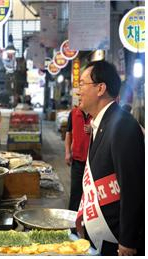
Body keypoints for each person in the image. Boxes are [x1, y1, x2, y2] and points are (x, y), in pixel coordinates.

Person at [76, 60, 144, 256]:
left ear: (100, 88)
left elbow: (134, 187)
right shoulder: (103, 122)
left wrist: (128, 240)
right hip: (103, 235)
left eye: (82, 84)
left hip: (118, 240)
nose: (78, 91)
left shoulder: (122, 124)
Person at [64, 105, 92, 212]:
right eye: (79, 98)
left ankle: (87, 221)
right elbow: (68, 133)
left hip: (92, 161)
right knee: (75, 192)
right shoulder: (74, 113)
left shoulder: (96, 112)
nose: (80, 101)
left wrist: (93, 129)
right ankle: (72, 222)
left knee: (90, 193)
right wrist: (67, 152)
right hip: (77, 160)